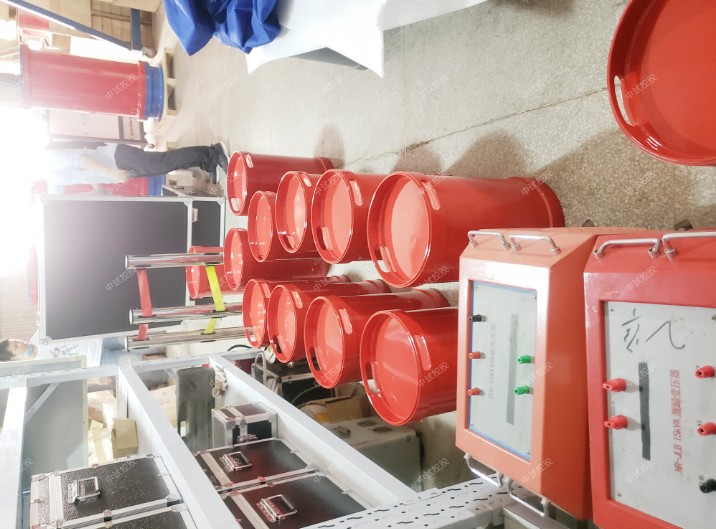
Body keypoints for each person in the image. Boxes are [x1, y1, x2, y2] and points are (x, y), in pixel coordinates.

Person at [38, 141, 229, 193]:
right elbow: (82, 174)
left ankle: (212, 152)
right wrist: (98, 189)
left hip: (116, 160)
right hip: (115, 169)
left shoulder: (44, 161)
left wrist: (109, 172)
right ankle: (206, 161)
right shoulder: (49, 179)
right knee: (162, 166)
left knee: (163, 162)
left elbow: (79, 159)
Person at [0, 333, 162, 367]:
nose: (20, 343)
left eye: (16, 340)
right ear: (14, 357)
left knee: (139, 340)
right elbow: (69, 377)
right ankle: (172, 362)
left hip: (100, 338)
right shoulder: (40, 366)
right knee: (140, 360)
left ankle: (170, 338)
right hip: (98, 360)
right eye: (16, 346)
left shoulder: (39, 335)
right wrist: (95, 379)